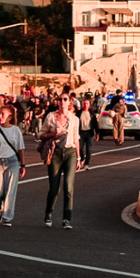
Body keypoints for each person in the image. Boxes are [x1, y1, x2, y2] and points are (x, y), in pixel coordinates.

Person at [39, 94, 80, 229]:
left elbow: (76, 139)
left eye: (65, 99)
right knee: (54, 188)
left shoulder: (74, 119)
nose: (62, 102)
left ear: (69, 102)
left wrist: (79, 157)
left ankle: (67, 218)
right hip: (55, 153)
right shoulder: (51, 117)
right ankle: (48, 213)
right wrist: (53, 134)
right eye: (60, 99)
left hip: (70, 153)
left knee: (69, 187)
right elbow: (41, 135)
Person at [0, 105, 27, 226]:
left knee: (10, 190)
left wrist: (23, 165)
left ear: (9, 117)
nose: (0, 116)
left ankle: (7, 216)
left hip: (12, 162)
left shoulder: (16, 131)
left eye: (3, 114)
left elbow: (21, 148)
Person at [77, 97, 95, 171]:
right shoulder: (79, 113)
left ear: (89, 105)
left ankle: (86, 164)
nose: (85, 105)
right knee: (80, 148)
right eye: (84, 104)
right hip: (81, 132)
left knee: (89, 149)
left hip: (89, 133)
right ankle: (82, 159)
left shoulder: (91, 113)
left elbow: (95, 123)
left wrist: (97, 133)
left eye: (87, 104)